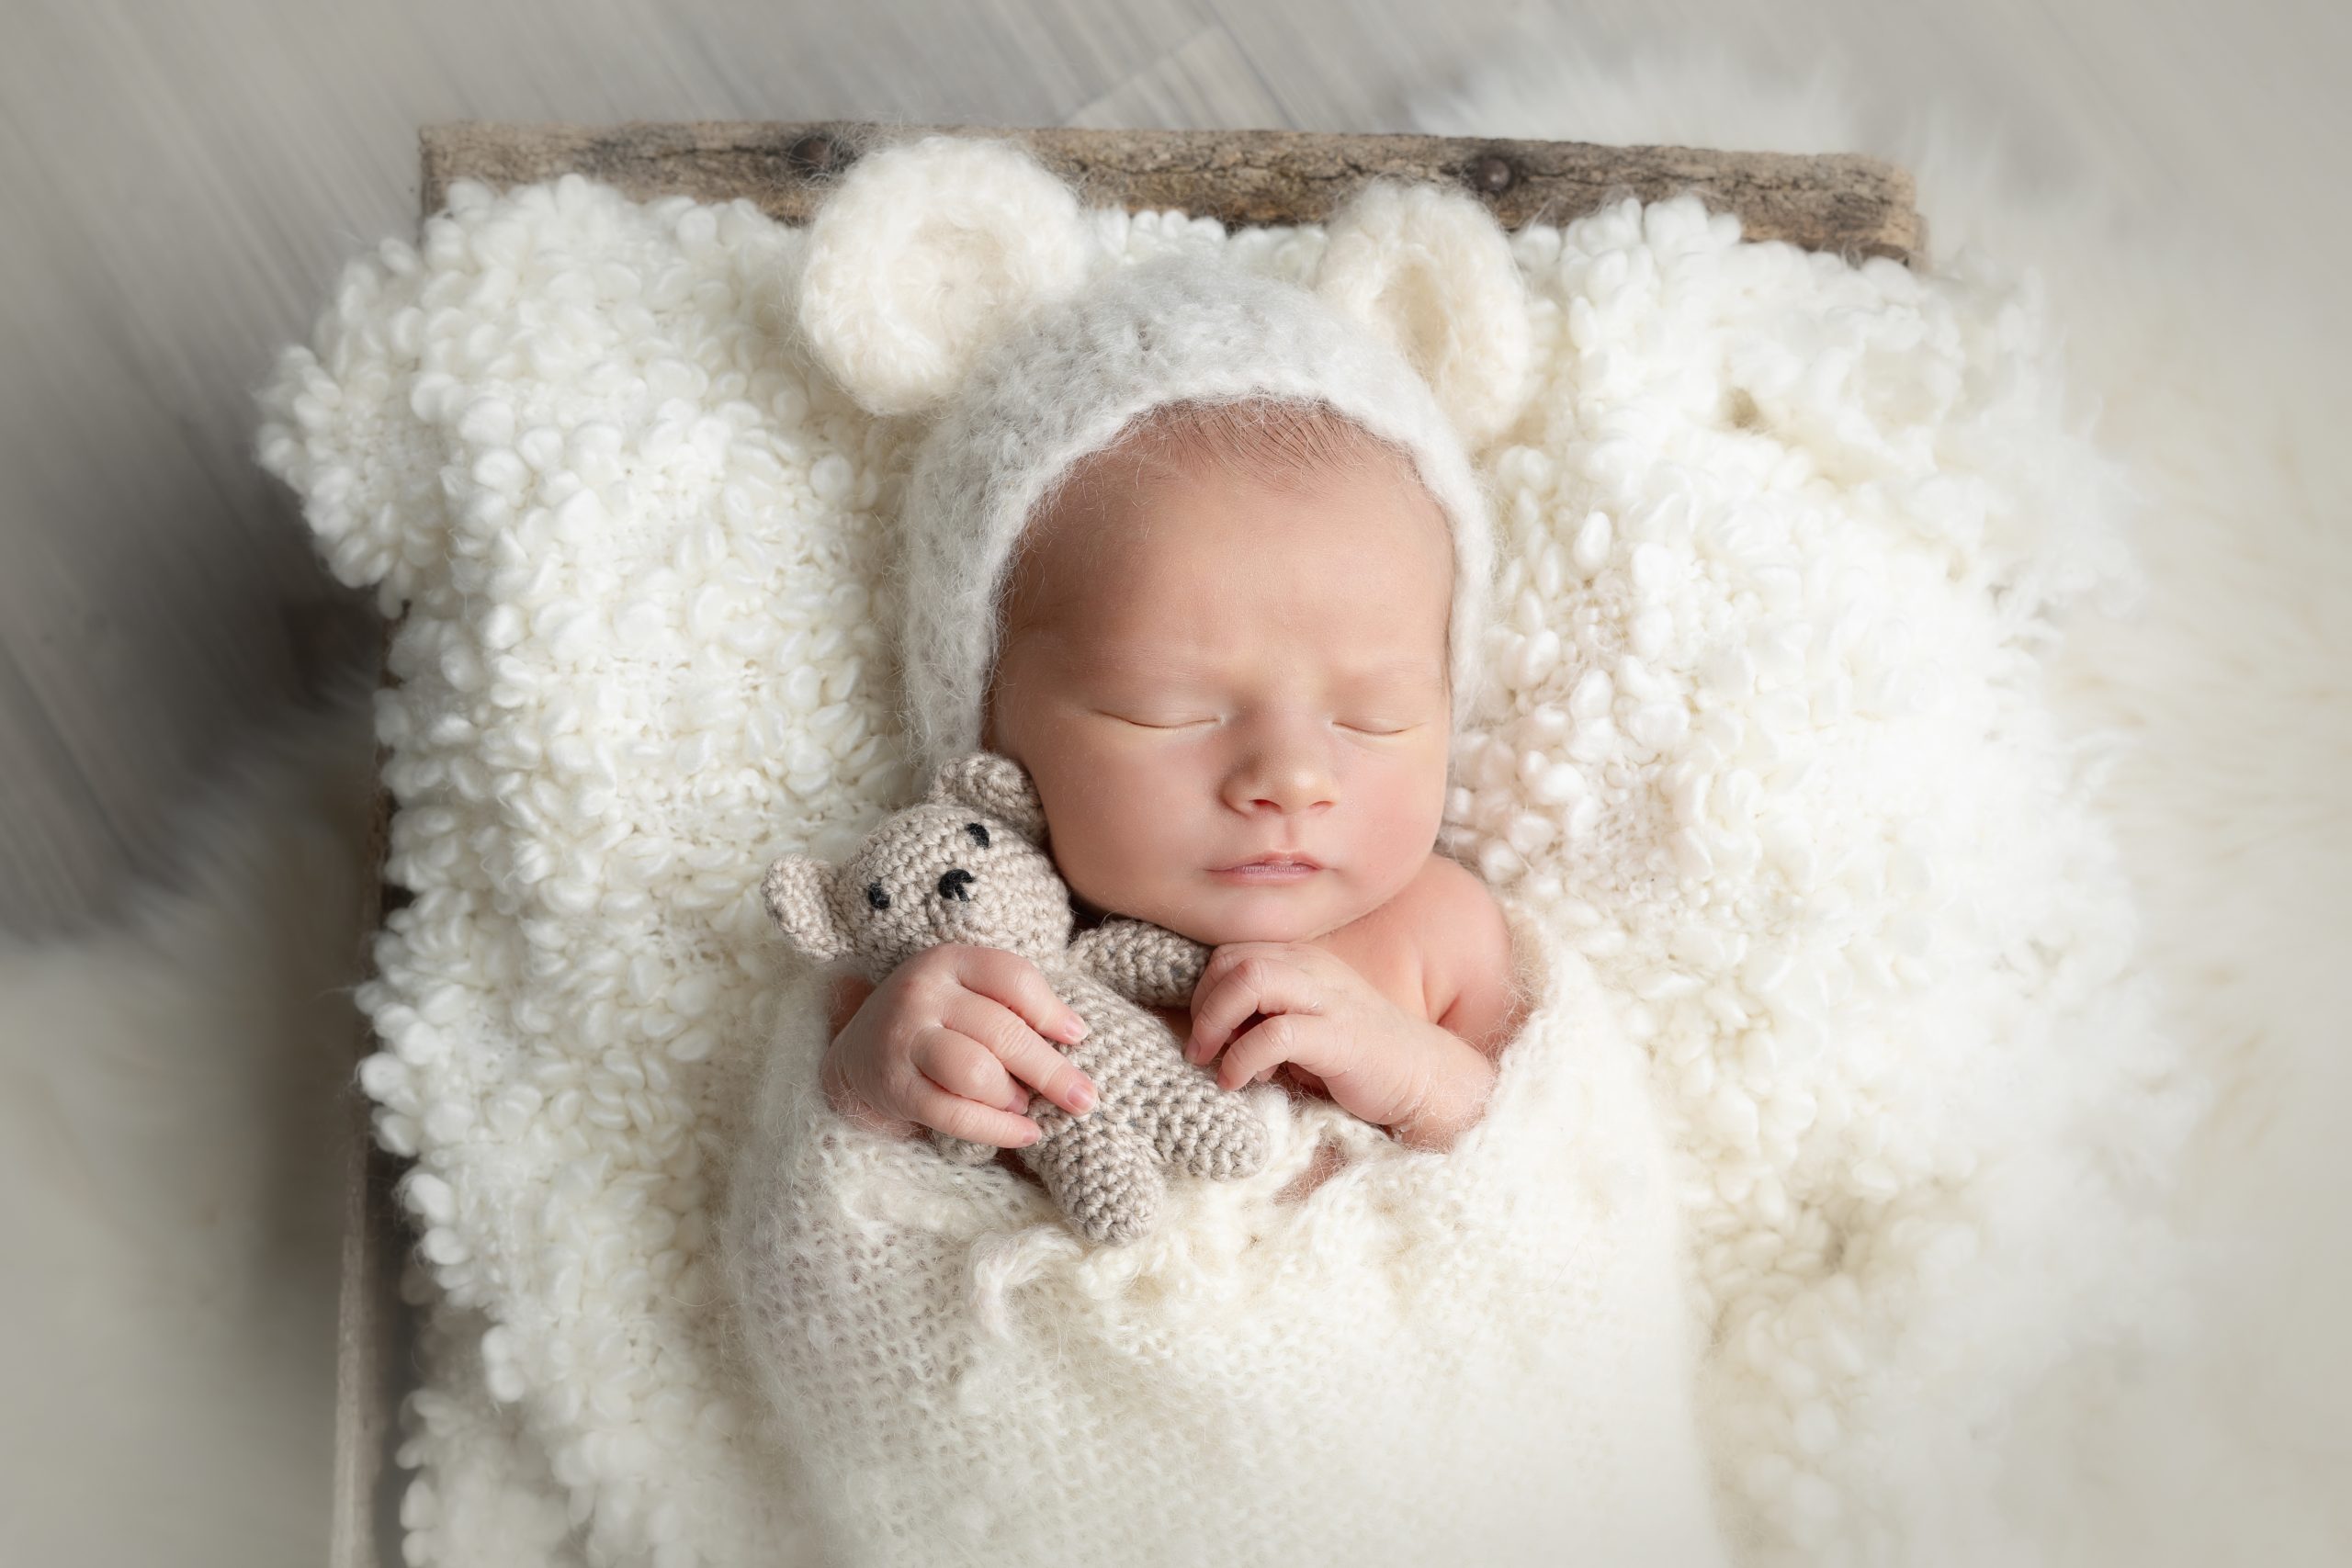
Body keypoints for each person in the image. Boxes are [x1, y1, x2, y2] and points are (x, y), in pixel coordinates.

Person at [814, 252, 1531, 1197]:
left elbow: (1575, 1184)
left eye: (1373, 716)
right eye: (1169, 709)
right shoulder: (948, 948)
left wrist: (1424, 1082)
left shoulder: (1441, 939)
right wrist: (869, 1087)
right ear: (986, 717)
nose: (1290, 776)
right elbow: (824, 1235)